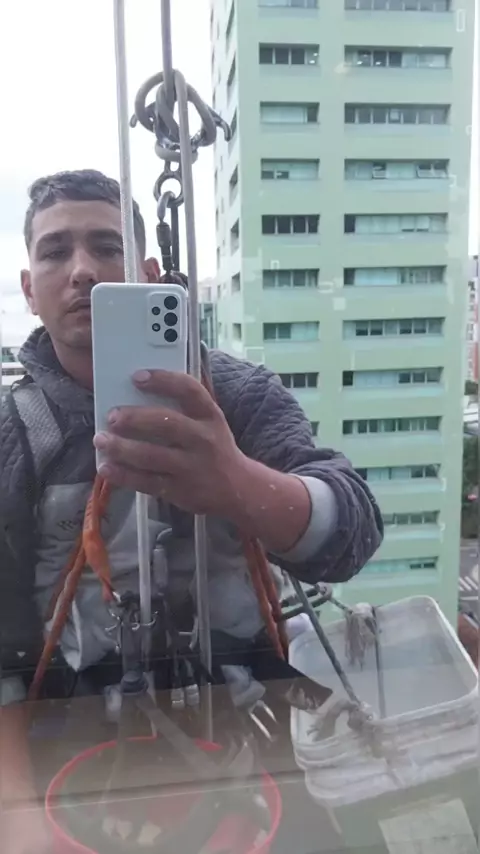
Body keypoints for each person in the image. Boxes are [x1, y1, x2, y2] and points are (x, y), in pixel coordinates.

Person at [0, 169, 383, 852]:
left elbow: (352, 530)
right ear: (29, 288)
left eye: (107, 247)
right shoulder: (14, 433)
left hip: (250, 740)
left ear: (149, 274)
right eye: (56, 251)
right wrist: (17, 808)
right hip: (78, 759)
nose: (82, 270)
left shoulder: (233, 394)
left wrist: (237, 481)